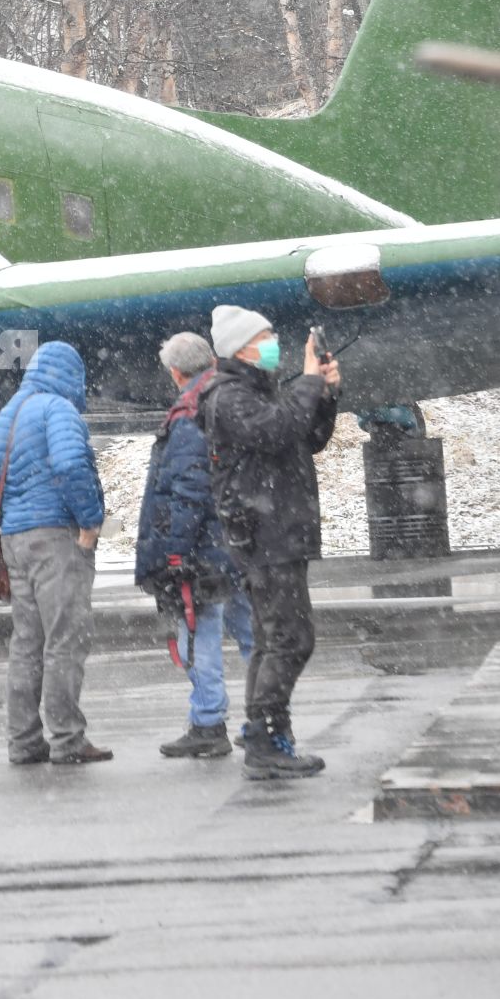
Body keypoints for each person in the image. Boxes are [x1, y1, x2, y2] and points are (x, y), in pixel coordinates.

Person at [196, 305, 339, 779]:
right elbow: (277, 431)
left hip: (279, 530)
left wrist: (326, 393)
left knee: (271, 639)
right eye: (267, 336)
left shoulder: (260, 392)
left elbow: (307, 436)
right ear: (241, 348)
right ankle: (265, 738)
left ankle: (270, 734)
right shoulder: (229, 397)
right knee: (291, 639)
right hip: (266, 534)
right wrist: (308, 383)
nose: (275, 342)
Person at [0, 340, 110, 766]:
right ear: (73, 376)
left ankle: (25, 740)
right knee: (66, 638)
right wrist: (89, 520)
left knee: (27, 642)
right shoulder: (58, 409)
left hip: (15, 542)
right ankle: (68, 739)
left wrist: (17, 512)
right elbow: (70, 465)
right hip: (56, 540)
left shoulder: (8, 414)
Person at [135, 333, 254, 759]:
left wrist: (175, 552)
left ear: (175, 372)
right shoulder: (232, 398)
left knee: (199, 632)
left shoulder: (189, 412)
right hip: (240, 538)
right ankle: (266, 716)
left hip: (205, 548)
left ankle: (208, 723)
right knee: (251, 632)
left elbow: (188, 489)